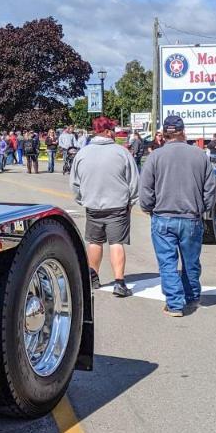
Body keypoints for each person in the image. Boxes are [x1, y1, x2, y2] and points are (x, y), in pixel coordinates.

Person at [139, 115, 216, 317]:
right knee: (191, 261)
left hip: (163, 216)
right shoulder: (200, 156)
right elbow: (210, 190)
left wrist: (148, 207)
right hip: (191, 217)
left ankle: (174, 304)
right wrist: (203, 209)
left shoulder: (155, 157)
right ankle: (192, 297)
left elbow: (145, 188)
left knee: (167, 263)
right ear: (183, 132)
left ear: (164, 134)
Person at [70, 116, 139, 298]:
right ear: (108, 132)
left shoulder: (82, 154)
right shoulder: (122, 153)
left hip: (93, 205)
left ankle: (93, 276)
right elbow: (133, 182)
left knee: (95, 241)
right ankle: (119, 282)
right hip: (117, 205)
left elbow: (75, 184)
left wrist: (83, 199)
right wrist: (131, 202)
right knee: (117, 243)